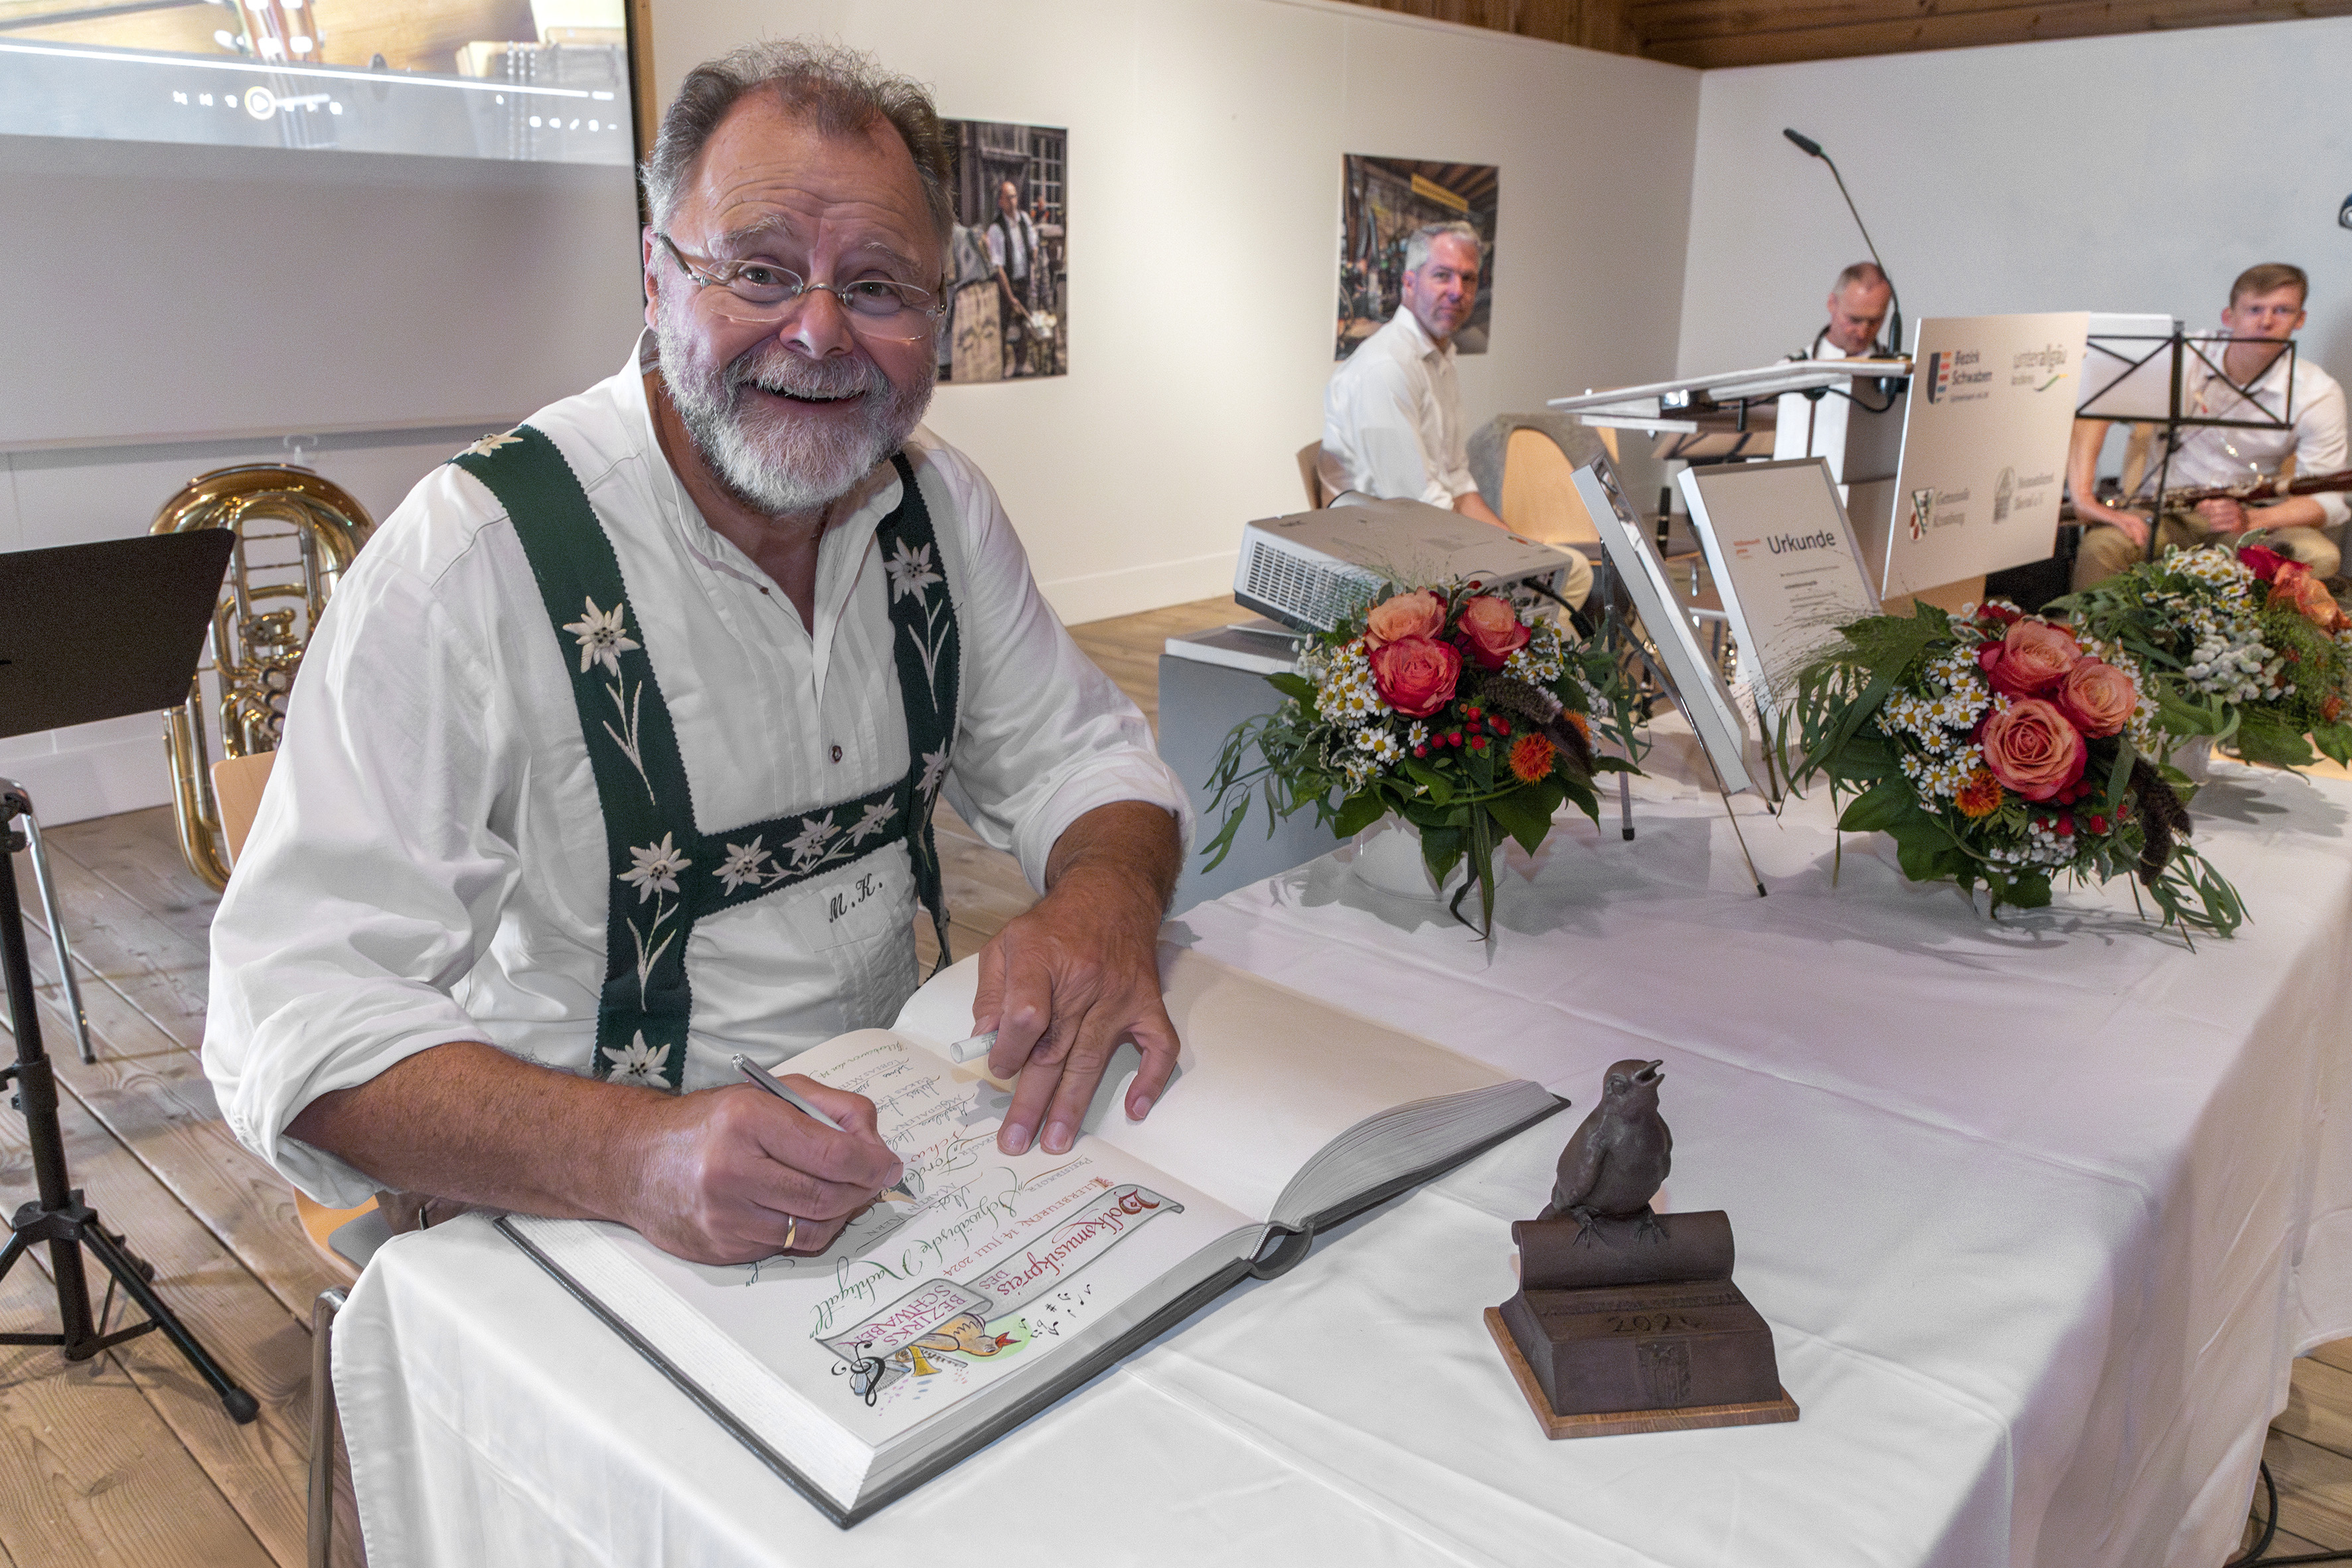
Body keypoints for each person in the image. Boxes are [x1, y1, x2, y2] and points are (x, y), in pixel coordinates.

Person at [202, 40, 1191, 1268]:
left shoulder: (940, 507)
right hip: (569, 1206)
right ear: (656, 278)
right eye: (760, 272)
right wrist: (634, 1155)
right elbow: (292, 1014)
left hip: (904, 1162)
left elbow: (1085, 758)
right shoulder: (476, 559)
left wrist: (1101, 897)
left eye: (878, 287)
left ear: (939, 313)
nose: (820, 332)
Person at [1320, 220, 1594, 608]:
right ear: (1410, 283)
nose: (1457, 292)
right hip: (1390, 564)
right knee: (1570, 575)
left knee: (1566, 570)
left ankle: (1532, 664)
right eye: (1442, 276)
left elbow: (1458, 483)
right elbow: (1417, 506)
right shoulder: (1384, 369)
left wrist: (1518, 547)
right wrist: (1507, 559)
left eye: (1467, 279)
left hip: (1426, 536)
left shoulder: (1439, 358)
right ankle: (1531, 665)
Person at [2071, 264, 2347, 589]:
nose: (2266, 322)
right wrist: (2084, 497)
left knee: (2315, 553)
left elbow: (2329, 500)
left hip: (2247, 518)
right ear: (2228, 317)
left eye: (2282, 310)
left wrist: (2254, 519)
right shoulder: (2182, 358)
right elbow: (2097, 406)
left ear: (2300, 319)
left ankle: (2265, 641)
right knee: (2101, 548)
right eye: (2254, 309)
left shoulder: (2317, 393)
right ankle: (2083, 640)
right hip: (2165, 512)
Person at [986, 179, 1041, 378]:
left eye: (1015, 196)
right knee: (1003, 329)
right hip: (1007, 286)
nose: (1013, 201)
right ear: (1000, 201)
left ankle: (1020, 366)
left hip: (1024, 283)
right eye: (1008, 197)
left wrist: (1033, 249)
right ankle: (1002, 370)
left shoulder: (1025, 219)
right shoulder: (996, 229)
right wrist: (1010, 297)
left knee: (1025, 328)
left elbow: (1034, 240)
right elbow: (998, 267)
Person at [1808, 262, 1892, 359]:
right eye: (1854, 320)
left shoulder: (1901, 370)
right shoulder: (1794, 369)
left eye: (1874, 322)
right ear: (1832, 303)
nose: (1862, 334)